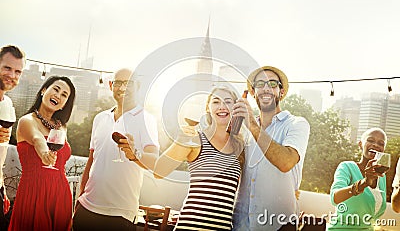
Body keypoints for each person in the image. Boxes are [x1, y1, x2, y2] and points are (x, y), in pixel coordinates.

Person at [72, 68, 159, 230]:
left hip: (121, 213)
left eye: (129, 83)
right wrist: (80, 197)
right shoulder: (100, 118)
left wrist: (135, 154)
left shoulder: (147, 119)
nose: (123, 88)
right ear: (111, 85)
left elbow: (155, 161)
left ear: (138, 86)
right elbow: (92, 159)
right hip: (87, 208)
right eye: (118, 83)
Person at [154, 86, 245, 230]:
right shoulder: (195, 139)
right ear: (208, 108)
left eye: (227, 102)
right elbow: (159, 171)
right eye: (216, 102)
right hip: (190, 227)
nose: (222, 106)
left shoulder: (240, 147)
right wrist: (179, 140)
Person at [232, 66, 310, 231]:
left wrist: (252, 124)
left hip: (278, 226)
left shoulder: (296, 124)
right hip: (240, 225)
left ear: (281, 92)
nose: (266, 88)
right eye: (260, 84)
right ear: (253, 93)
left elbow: (286, 162)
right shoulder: (244, 129)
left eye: (272, 83)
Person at [8, 76, 76, 230]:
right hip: (34, 193)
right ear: (44, 91)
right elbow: (37, 139)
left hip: (60, 195)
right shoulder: (27, 120)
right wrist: (45, 154)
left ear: (64, 104)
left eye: (64, 95)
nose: (58, 96)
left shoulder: (62, 128)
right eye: (56, 89)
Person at [327, 128, 387, 230]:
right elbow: (334, 198)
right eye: (371, 140)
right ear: (360, 144)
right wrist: (364, 183)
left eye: (381, 143)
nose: (376, 145)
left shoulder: (381, 176)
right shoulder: (347, 167)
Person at [0, 45, 25, 230]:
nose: (12, 75)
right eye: (7, 68)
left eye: (18, 71)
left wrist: (2, 189)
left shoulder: (8, 104)